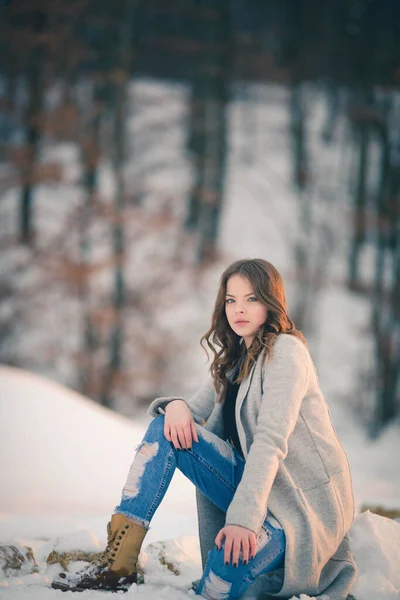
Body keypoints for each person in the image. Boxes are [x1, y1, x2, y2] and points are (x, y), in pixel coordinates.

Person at [51, 258, 358, 599]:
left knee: (224, 573)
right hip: (258, 492)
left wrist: (243, 520)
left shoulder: (287, 352)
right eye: (231, 300)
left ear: (271, 303)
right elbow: (189, 413)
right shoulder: (237, 360)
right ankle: (117, 565)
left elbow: (271, 442)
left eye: (251, 298)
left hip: (299, 508)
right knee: (163, 428)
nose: (239, 309)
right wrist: (177, 406)